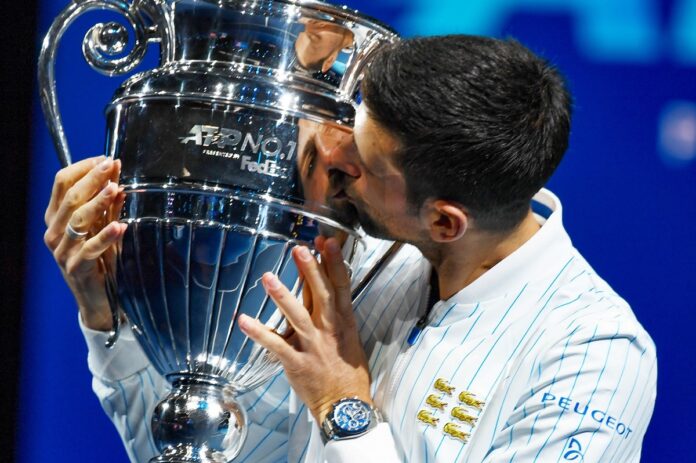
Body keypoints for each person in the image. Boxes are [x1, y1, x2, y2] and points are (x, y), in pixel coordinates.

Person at [44, 35, 656, 462]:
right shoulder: (357, 263)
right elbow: (199, 453)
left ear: (444, 221)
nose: (335, 156)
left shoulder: (594, 356)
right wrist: (106, 316)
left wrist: (344, 410)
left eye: (364, 161)